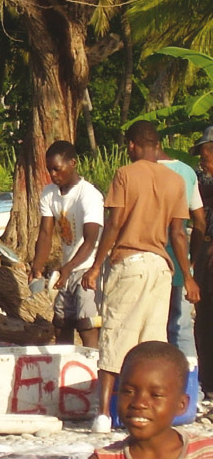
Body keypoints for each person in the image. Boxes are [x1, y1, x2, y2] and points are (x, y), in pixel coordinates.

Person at [82, 121, 200, 434]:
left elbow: (115, 223)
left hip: (130, 262)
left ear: (132, 145)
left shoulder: (125, 174)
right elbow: (178, 233)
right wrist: (188, 277)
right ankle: (155, 416)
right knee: (152, 343)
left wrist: (96, 266)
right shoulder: (175, 181)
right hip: (162, 268)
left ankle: (103, 414)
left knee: (116, 336)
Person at [57, 341, 213, 459]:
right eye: (128, 391)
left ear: (181, 404)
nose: (139, 403)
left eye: (155, 395)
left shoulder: (207, 458)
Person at [30, 141, 104, 348]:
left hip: (88, 266)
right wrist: (37, 266)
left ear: (72, 163)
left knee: (86, 323)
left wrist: (67, 268)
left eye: (57, 169)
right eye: (50, 170)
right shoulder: (49, 193)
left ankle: (92, 369)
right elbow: (45, 233)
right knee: (61, 322)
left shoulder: (89, 195)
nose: (53, 175)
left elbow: (91, 240)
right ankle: (64, 367)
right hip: (67, 267)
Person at [157, 145, 206, 359]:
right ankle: (191, 387)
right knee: (182, 327)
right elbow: (200, 222)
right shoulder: (187, 172)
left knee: (154, 328)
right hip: (180, 263)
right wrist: (191, 262)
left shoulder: (139, 171)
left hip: (151, 262)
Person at [191, 125, 213, 395]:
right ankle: (208, 383)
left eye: (204, 155)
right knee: (204, 320)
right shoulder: (199, 179)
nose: (202, 161)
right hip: (205, 257)